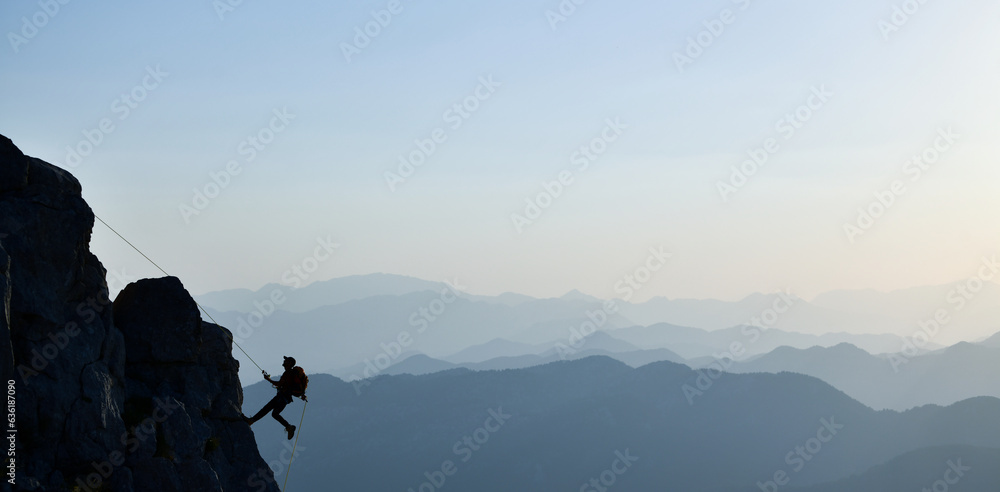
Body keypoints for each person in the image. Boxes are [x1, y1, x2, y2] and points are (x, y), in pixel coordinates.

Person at [244, 356, 305, 439]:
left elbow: (279, 384)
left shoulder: (288, 373)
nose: (284, 361)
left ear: (289, 363)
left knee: (267, 409)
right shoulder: (291, 373)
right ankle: (289, 427)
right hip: (284, 398)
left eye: (286, 360)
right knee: (274, 413)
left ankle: (251, 420)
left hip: (282, 397)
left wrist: (268, 379)